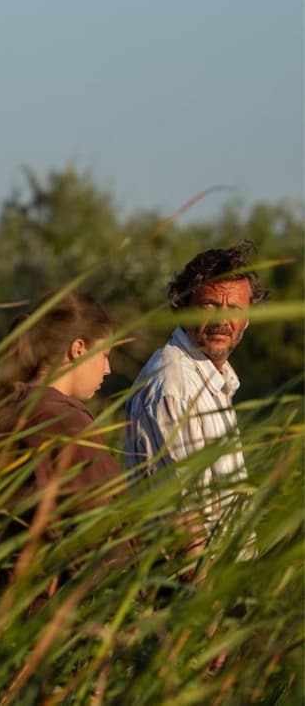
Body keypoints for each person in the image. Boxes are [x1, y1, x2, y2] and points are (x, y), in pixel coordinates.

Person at [0, 292, 132, 605]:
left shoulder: (8, 407)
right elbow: (100, 534)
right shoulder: (63, 421)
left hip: (7, 604)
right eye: (105, 355)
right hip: (55, 616)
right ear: (78, 349)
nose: (107, 369)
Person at [124, 240, 269, 563]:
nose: (222, 321)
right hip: (191, 591)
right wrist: (211, 604)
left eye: (235, 309)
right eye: (209, 306)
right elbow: (183, 520)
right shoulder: (172, 384)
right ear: (182, 306)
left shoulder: (212, 379)